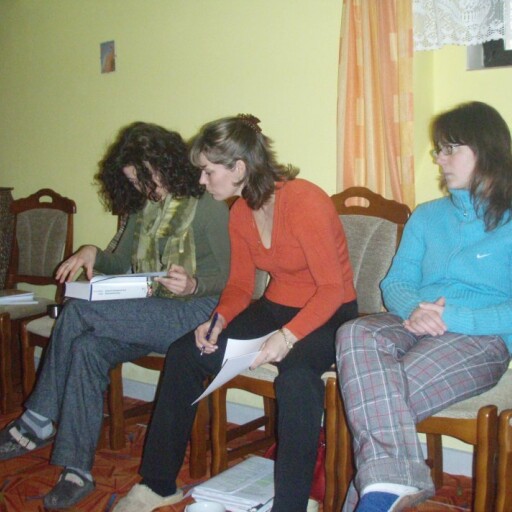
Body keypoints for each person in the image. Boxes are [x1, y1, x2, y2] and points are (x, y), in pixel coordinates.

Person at [111, 114, 358, 512]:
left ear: (239, 168)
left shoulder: (305, 200)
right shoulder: (241, 212)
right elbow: (241, 286)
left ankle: (291, 506)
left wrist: (287, 337)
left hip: (331, 312)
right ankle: (158, 484)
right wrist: (219, 320)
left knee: (296, 378)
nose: (202, 180)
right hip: (277, 306)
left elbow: (330, 289)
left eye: (208, 171)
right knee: (186, 353)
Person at [0, 122, 230, 510]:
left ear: (166, 163)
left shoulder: (207, 206)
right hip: (149, 310)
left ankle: (37, 418)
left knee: (77, 312)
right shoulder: (143, 207)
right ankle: (76, 470)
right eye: (133, 181)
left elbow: (228, 276)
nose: (142, 187)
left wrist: (193, 283)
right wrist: (93, 252)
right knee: (87, 348)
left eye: (144, 177)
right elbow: (120, 262)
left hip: (195, 313)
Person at [335, 101, 512, 512]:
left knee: (378, 400)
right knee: (356, 331)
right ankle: (393, 484)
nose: (439, 159)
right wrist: (417, 310)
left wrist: (453, 316)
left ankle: (377, 494)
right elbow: (395, 282)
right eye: (439, 149)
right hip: (413, 322)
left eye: (450, 149)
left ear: (486, 149)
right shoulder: (428, 216)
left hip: (481, 338)